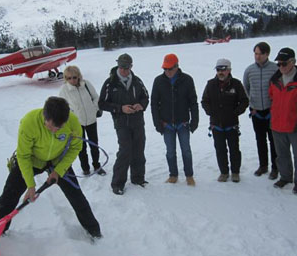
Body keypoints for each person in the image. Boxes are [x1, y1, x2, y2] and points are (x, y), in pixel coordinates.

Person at [0, 97, 101, 239]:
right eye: (50, 126)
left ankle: (94, 232)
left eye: (58, 128)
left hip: (57, 161)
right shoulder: (29, 122)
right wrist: (30, 185)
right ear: (44, 116)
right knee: (8, 197)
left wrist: (58, 171)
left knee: (76, 196)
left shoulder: (72, 122)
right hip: (32, 161)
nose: (54, 131)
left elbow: (76, 147)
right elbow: (24, 156)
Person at [98, 53, 149, 195]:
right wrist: (120, 108)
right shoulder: (110, 83)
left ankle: (138, 178)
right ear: (118, 66)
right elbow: (102, 103)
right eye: (122, 67)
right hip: (121, 123)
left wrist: (141, 105)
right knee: (125, 151)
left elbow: (145, 96)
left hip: (138, 121)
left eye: (127, 67)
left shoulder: (137, 81)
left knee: (139, 150)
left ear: (131, 66)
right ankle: (117, 184)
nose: (124, 70)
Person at [151, 54, 199, 186]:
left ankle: (189, 175)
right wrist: (157, 123)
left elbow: (193, 102)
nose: (167, 72)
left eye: (170, 69)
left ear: (177, 66)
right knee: (170, 151)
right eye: (165, 69)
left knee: (186, 150)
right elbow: (154, 104)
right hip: (166, 124)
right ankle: (173, 175)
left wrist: (194, 121)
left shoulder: (187, 80)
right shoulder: (158, 81)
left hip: (183, 123)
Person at [268, 48, 297, 194]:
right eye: (278, 63)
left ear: (293, 62)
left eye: (284, 63)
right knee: (282, 154)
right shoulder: (275, 79)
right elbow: (271, 96)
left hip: (296, 125)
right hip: (277, 124)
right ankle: (285, 177)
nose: (281, 67)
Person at [201, 58, 248, 183]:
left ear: (229, 70)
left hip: (231, 124)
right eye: (218, 69)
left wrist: (236, 112)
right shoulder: (210, 84)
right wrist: (210, 112)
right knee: (220, 149)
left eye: (223, 69)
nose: (220, 72)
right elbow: (204, 101)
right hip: (216, 124)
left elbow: (244, 101)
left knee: (234, 149)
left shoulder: (236, 84)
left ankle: (235, 172)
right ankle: (224, 172)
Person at [58, 65, 106, 176]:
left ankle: (97, 166)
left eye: (74, 77)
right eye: (69, 78)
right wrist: (72, 116)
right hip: (77, 123)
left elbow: (96, 97)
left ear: (79, 76)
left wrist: (94, 109)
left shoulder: (87, 84)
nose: (72, 80)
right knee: (81, 147)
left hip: (91, 120)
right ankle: (85, 168)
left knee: (94, 144)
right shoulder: (64, 90)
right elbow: (62, 107)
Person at [243, 42, 279, 179]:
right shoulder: (249, 70)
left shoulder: (275, 69)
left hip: (272, 111)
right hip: (256, 111)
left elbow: (278, 89)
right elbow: (246, 87)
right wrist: (251, 104)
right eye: (255, 53)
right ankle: (263, 165)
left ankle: (275, 167)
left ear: (267, 54)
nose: (257, 57)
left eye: (260, 54)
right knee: (260, 140)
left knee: (273, 140)